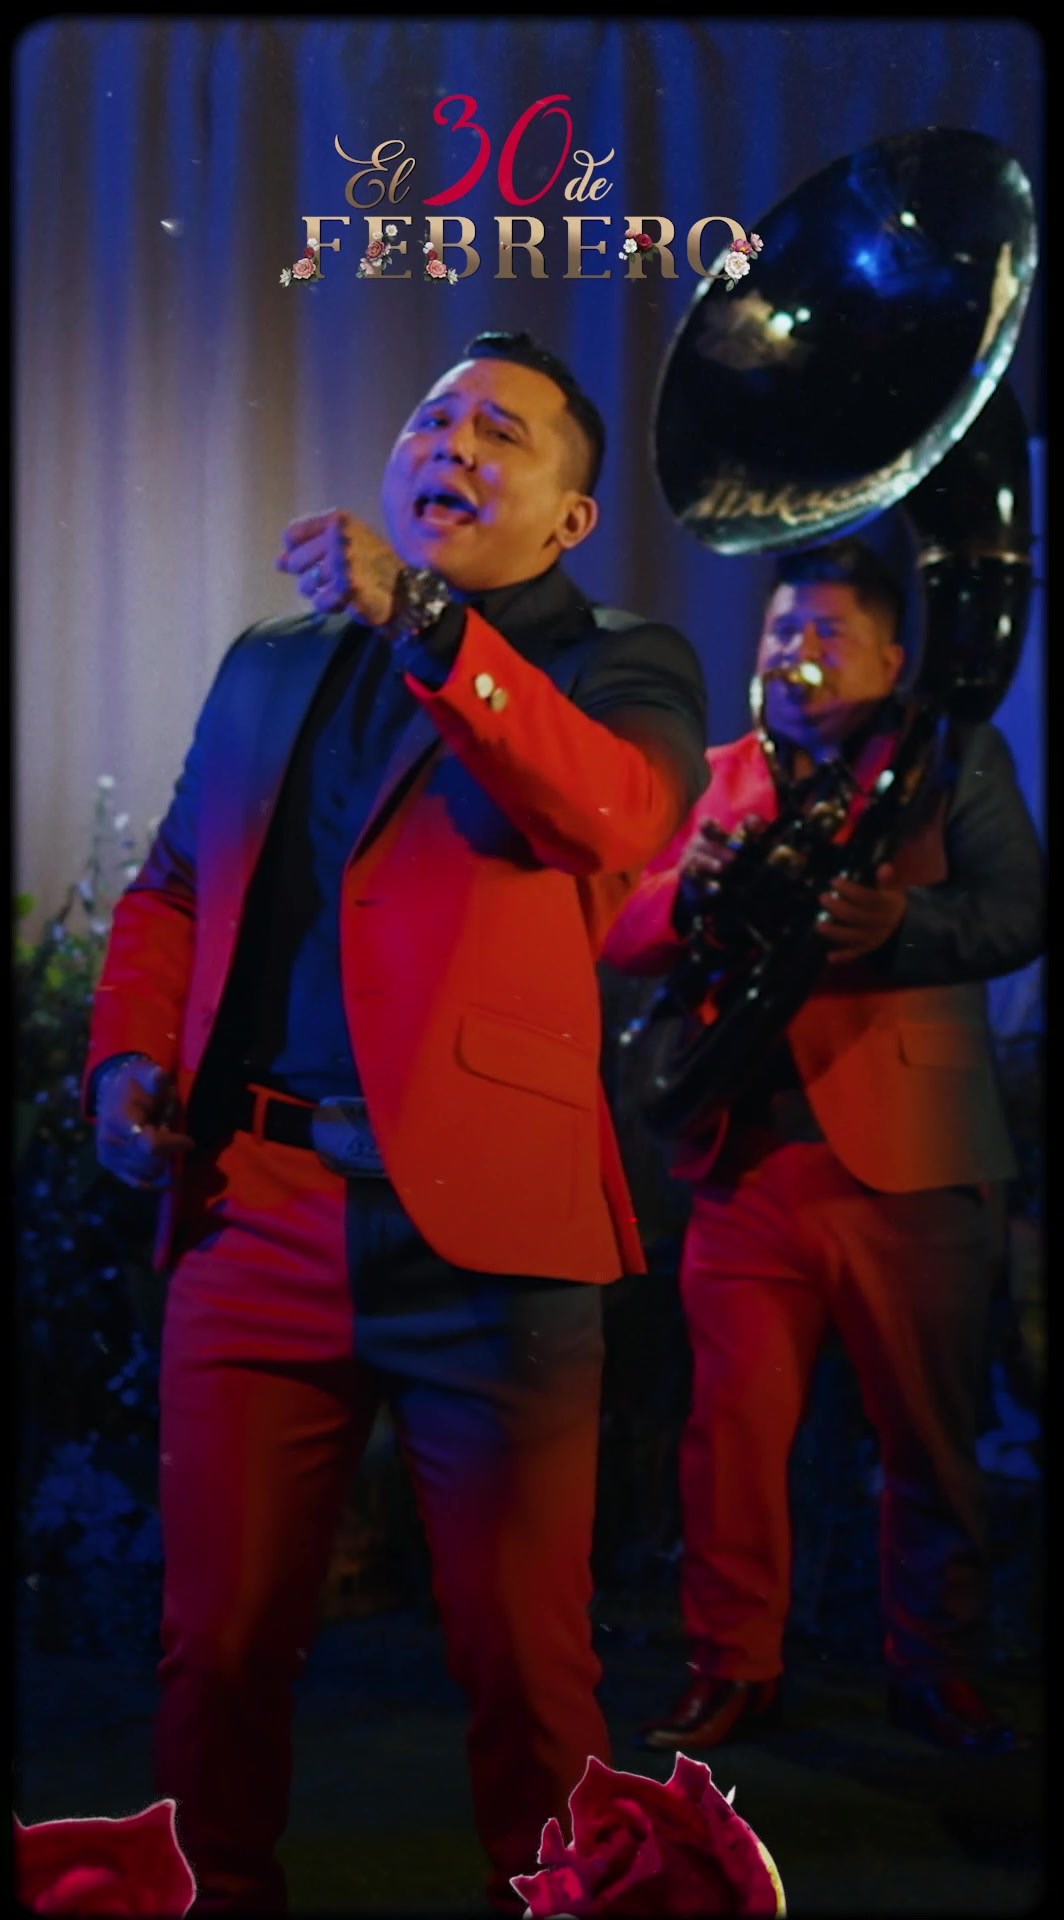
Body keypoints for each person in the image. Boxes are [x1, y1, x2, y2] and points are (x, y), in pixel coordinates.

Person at [83, 330, 709, 1914]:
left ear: (570, 519)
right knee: (217, 1640)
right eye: (437, 418)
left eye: (503, 435)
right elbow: (173, 886)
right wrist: (122, 1062)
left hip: (493, 1237)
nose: (455, 445)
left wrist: (431, 626)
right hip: (257, 1206)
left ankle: (560, 1895)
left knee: (523, 1661)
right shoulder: (271, 660)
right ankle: (213, 1889)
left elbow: (617, 815)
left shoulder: (621, 660)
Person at [602, 538, 1044, 1756]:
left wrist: (900, 925)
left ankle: (937, 1668)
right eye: (780, 631)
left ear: (894, 661)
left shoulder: (953, 758)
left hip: (915, 1162)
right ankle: (732, 1667)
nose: (794, 652)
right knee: (729, 1442)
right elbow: (623, 929)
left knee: (930, 1442)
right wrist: (688, 893)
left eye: (826, 634)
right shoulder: (718, 776)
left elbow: (1019, 911)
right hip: (749, 1164)